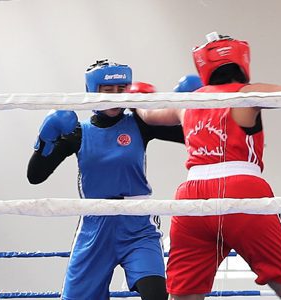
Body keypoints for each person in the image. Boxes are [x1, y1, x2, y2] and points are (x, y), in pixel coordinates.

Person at [136, 33, 281, 300]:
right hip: (242, 189)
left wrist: (140, 96)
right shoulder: (246, 93)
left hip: (190, 198)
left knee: (184, 296)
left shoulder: (187, 104)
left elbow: (149, 115)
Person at [27, 59, 185, 300]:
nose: (115, 96)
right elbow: (35, 176)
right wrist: (44, 140)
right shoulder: (77, 133)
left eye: (121, 90)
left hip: (137, 223)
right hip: (95, 224)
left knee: (156, 296)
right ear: (93, 91)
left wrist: (184, 106)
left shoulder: (140, 123)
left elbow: (191, 136)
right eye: (108, 90)